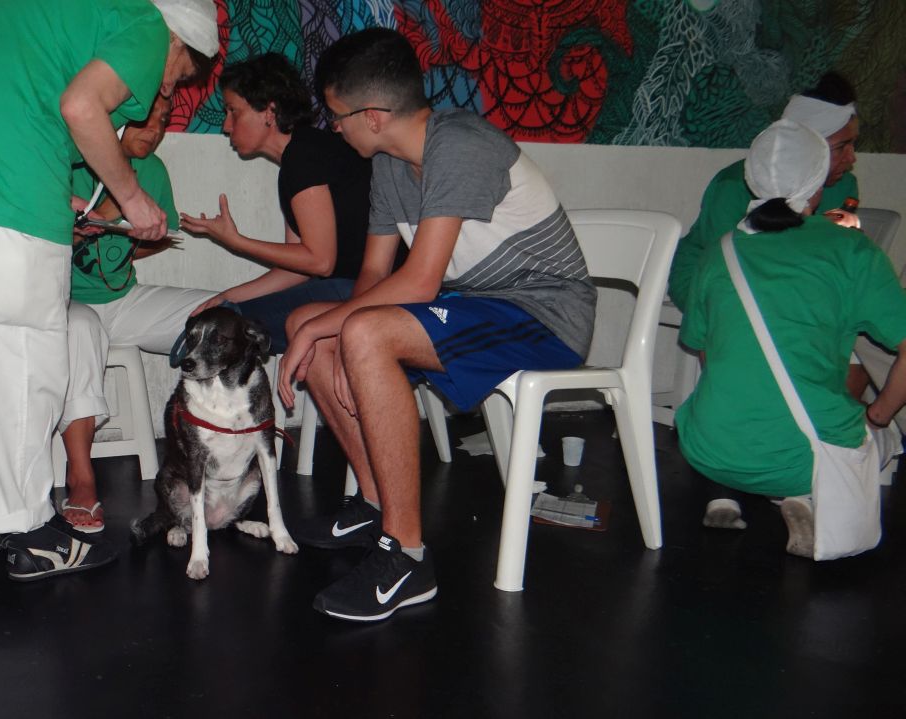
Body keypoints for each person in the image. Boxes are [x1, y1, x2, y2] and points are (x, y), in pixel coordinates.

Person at [0, 0, 219, 580]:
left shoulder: (77, 12)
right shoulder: (145, 24)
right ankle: (30, 530)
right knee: (24, 349)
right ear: (182, 40)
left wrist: (60, 197)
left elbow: (14, 92)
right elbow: (80, 107)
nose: (165, 86)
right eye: (178, 74)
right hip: (3, 160)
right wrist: (132, 198)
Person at [278, 29, 597, 621]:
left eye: (337, 116)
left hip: (544, 313)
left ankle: (407, 556)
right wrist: (327, 332)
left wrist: (341, 333)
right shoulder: (390, 165)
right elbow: (375, 271)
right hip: (477, 304)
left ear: (373, 117)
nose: (334, 128)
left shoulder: (460, 145)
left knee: (352, 330)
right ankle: (375, 504)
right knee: (312, 319)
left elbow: (420, 281)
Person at [677, 119, 906, 556]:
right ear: (817, 185)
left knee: (727, 406)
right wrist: (877, 416)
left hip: (711, 448)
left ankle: (730, 492)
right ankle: (804, 493)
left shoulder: (719, 251)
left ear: (751, 181)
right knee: (884, 433)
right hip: (804, 459)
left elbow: (706, 353)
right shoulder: (852, 250)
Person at [59, 93, 217, 532]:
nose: (156, 131)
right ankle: (81, 478)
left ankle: (227, 457)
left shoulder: (153, 171)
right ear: (115, 118)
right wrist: (74, 233)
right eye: (148, 120)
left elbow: (160, 236)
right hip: (65, 302)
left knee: (218, 315)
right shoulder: (67, 161)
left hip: (124, 300)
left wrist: (132, 241)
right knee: (80, 328)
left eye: (164, 122)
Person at [179, 53, 381, 353]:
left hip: (369, 289)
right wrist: (228, 297)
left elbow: (320, 261)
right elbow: (297, 269)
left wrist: (237, 242)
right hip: (349, 286)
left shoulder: (304, 156)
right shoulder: (299, 157)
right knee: (224, 315)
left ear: (269, 112)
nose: (226, 125)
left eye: (234, 111)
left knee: (224, 329)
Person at [668, 72, 860, 313]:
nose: (852, 158)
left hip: (791, 281)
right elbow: (723, 264)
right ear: (806, 147)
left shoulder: (844, 186)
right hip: (712, 277)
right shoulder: (734, 184)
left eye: (854, 144)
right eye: (841, 147)